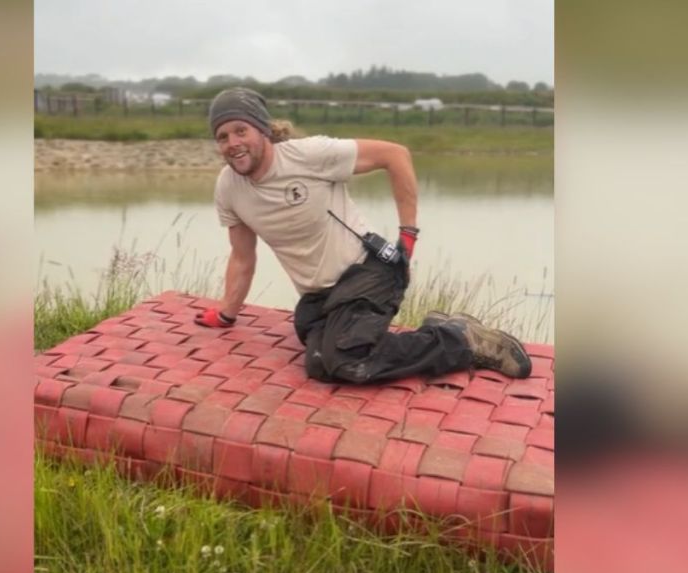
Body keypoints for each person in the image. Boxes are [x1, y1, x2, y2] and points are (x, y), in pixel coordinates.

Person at [194, 87, 531, 383]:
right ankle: (438, 329)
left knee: (349, 361)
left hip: (370, 271)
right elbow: (242, 256)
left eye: (241, 131)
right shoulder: (228, 186)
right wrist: (226, 314)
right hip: (320, 296)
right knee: (320, 367)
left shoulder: (308, 154)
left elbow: (395, 155)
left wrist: (408, 236)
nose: (233, 143)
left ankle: (464, 340)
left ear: (263, 129)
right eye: (222, 137)